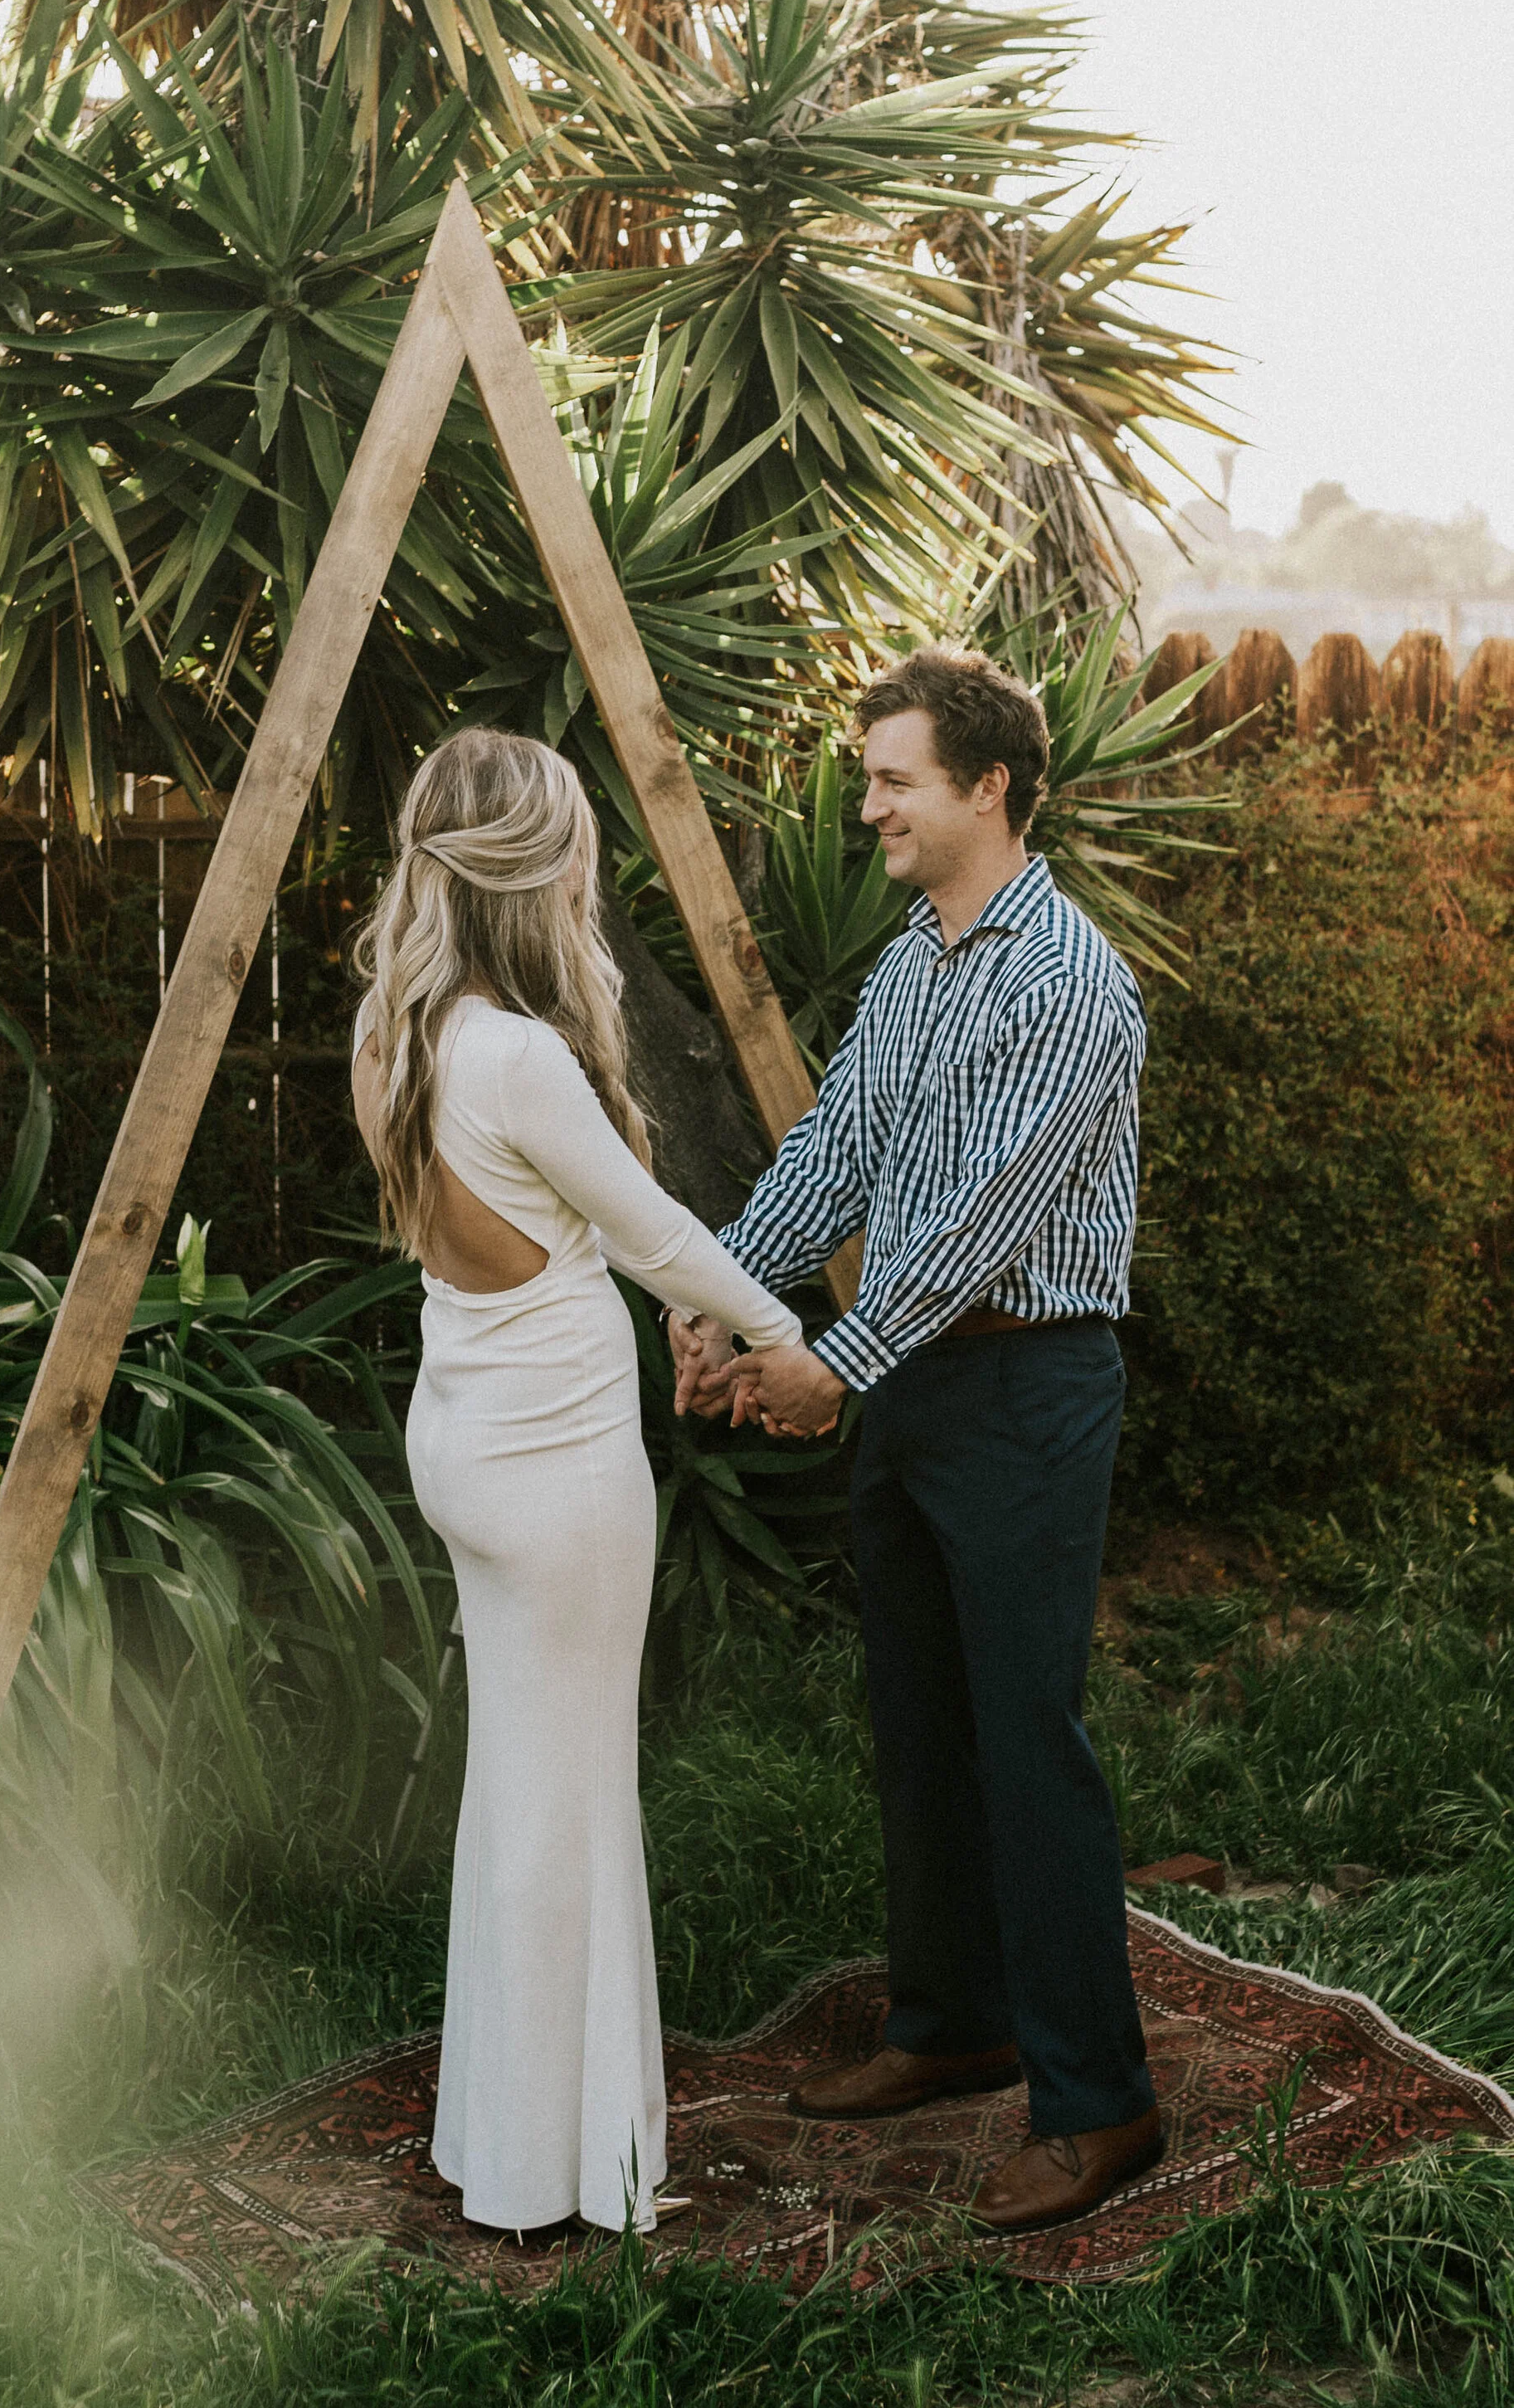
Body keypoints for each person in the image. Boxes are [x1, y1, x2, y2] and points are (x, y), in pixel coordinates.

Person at [672, 646, 1162, 2235]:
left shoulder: (1069, 978)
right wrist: (730, 1297)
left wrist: (833, 1362)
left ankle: (1100, 2105)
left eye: (894, 776)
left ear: (990, 787)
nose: (866, 800)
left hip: (1027, 1386)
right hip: (914, 1382)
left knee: (1030, 1739)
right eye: (871, 773)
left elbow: (980, 1217)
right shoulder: (911, 965)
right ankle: (950, 2023)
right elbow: (839, 1150)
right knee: (917, 1720)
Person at [352, 728, 803, 2240]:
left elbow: (572, 1231)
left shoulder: (404, 1035)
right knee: (573, 1804)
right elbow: (658, 1229)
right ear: (538, 873)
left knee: (519, 1790)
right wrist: (780, 1327)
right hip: (557, 1481)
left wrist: (673, 1297)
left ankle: (502, 2135)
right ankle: (573, 2169)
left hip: (469, 1450)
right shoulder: (519, 1050)